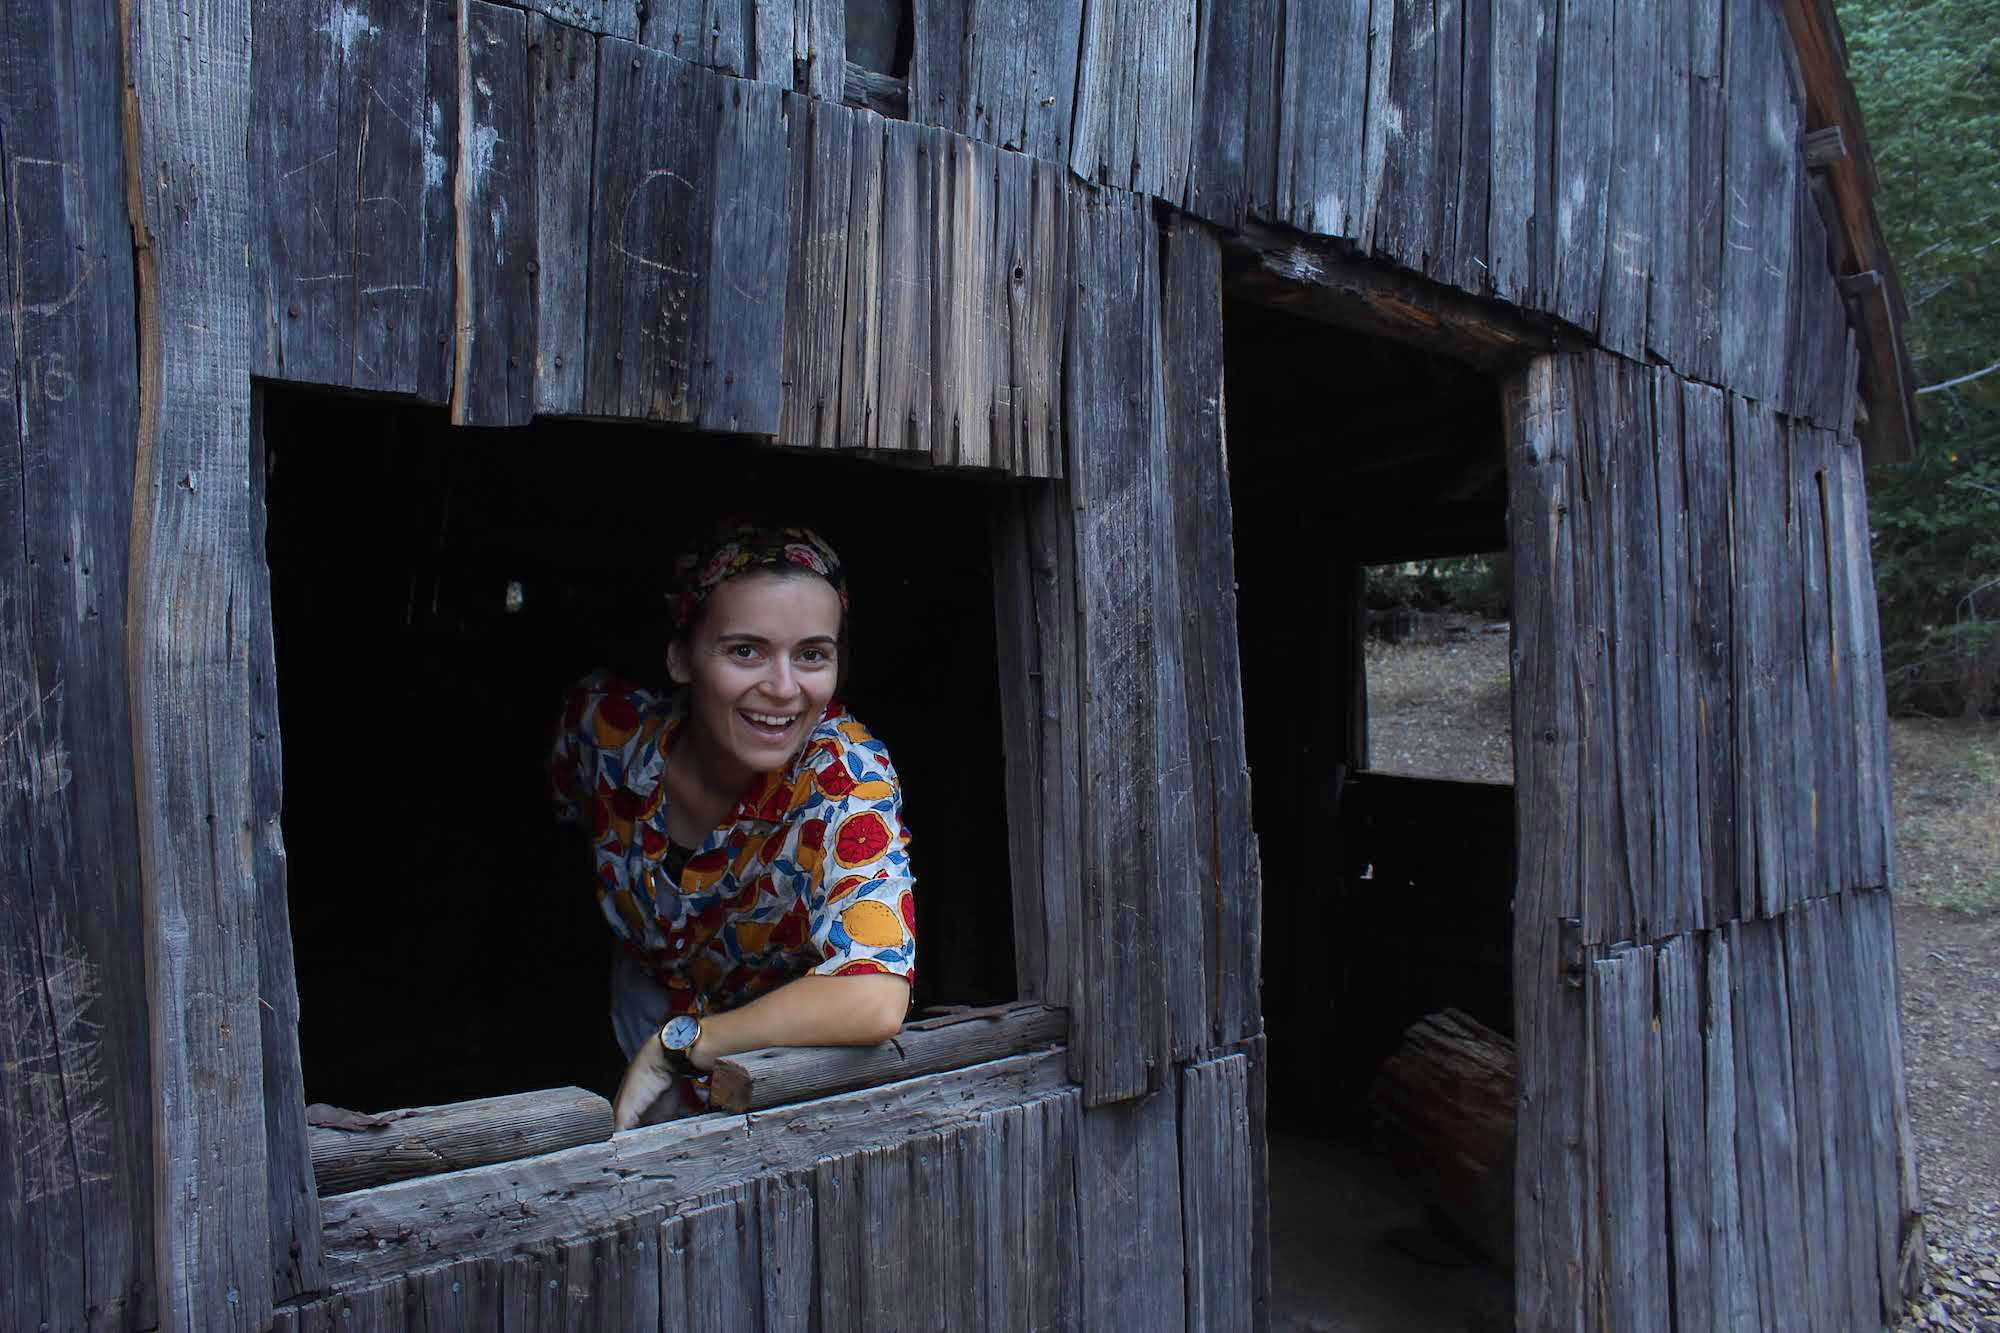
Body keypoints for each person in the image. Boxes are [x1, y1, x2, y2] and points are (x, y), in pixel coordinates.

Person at [550, 521, 916, 1129]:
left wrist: (679, 1047)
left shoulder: (845, 775)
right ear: (681, 655)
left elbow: (874, 995)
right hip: (622, 1011)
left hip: (771, 1062)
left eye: (812, 655)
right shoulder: (604, 727)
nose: (782, 688)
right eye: (745, 650)